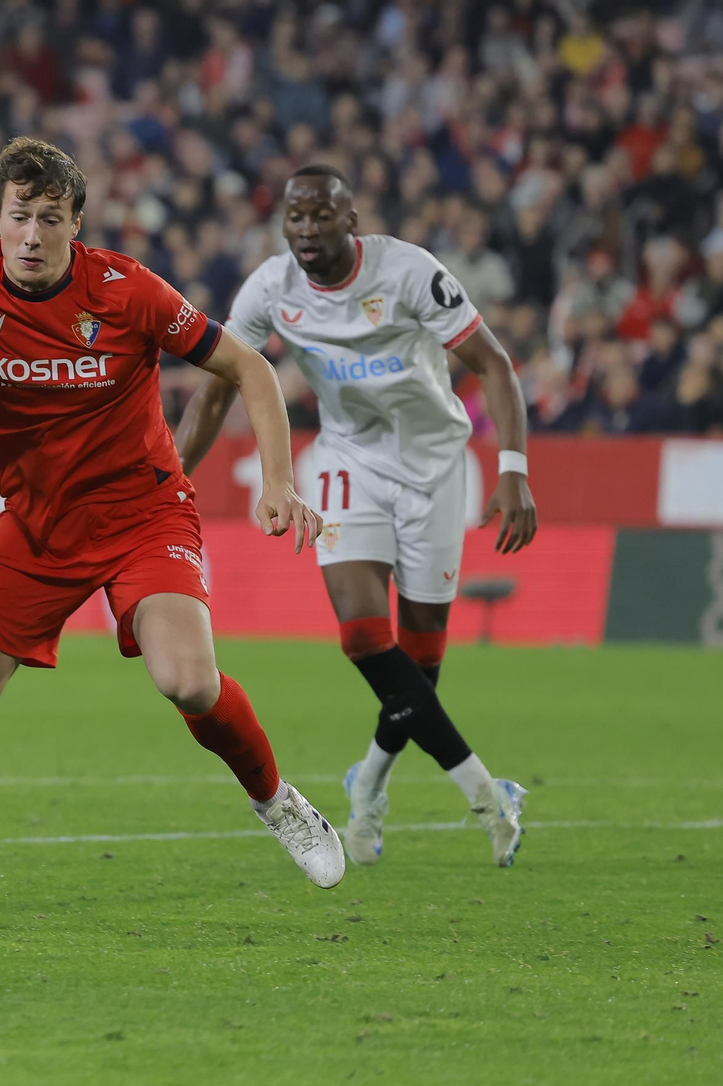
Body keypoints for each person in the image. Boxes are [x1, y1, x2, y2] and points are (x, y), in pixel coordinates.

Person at [0, 138, 344, 901]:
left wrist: (278, 480)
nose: (34, 234)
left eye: (51, 217)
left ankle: (278, 801)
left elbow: (250, 366)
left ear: (77, 222)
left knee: (187, 680)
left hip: (144, 511)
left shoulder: (127, 289)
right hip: (37, 525)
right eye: (20, 216)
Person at [175, 165, 538, 867]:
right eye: (295, 217)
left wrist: (515, 472)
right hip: (347, 461)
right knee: (366, 637)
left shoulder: (409, 274)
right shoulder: (272, 288)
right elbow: (216, 390)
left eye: (320, 216)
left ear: (352, 219)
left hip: (435, 465)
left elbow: (494, 364)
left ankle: (368, 778)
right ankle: (486, 791)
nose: (306, 229)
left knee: (421, 662)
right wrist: (168, 479)